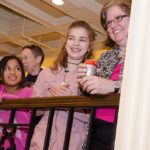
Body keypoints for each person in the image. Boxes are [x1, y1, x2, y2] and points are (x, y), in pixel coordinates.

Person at [30, 20, 95, 150]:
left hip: (73, 141)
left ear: (89, 46)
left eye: (82, 39)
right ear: (65, 42)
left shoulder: (93, 78)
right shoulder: (46, 73)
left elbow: (92, 117)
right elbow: (34, 111)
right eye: (71, 38)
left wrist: (70, 102)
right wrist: (49, 99)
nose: (76, 43)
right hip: (41, 139)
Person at [77, 0, 131, 149]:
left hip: (128, 128)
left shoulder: (145, 52)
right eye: (108, 23)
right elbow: (85, 97)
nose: (113, 25)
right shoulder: (105, 57)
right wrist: (83, 83)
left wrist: (113, 86)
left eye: (119, 18)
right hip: (96, 127)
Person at [0, 55, 32, 150]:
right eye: (7, 68)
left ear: (22, 73)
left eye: (17, 68)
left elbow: (26, 123)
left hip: (19, 145)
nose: (12, 72)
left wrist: (5, 98)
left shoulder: (29, 92)